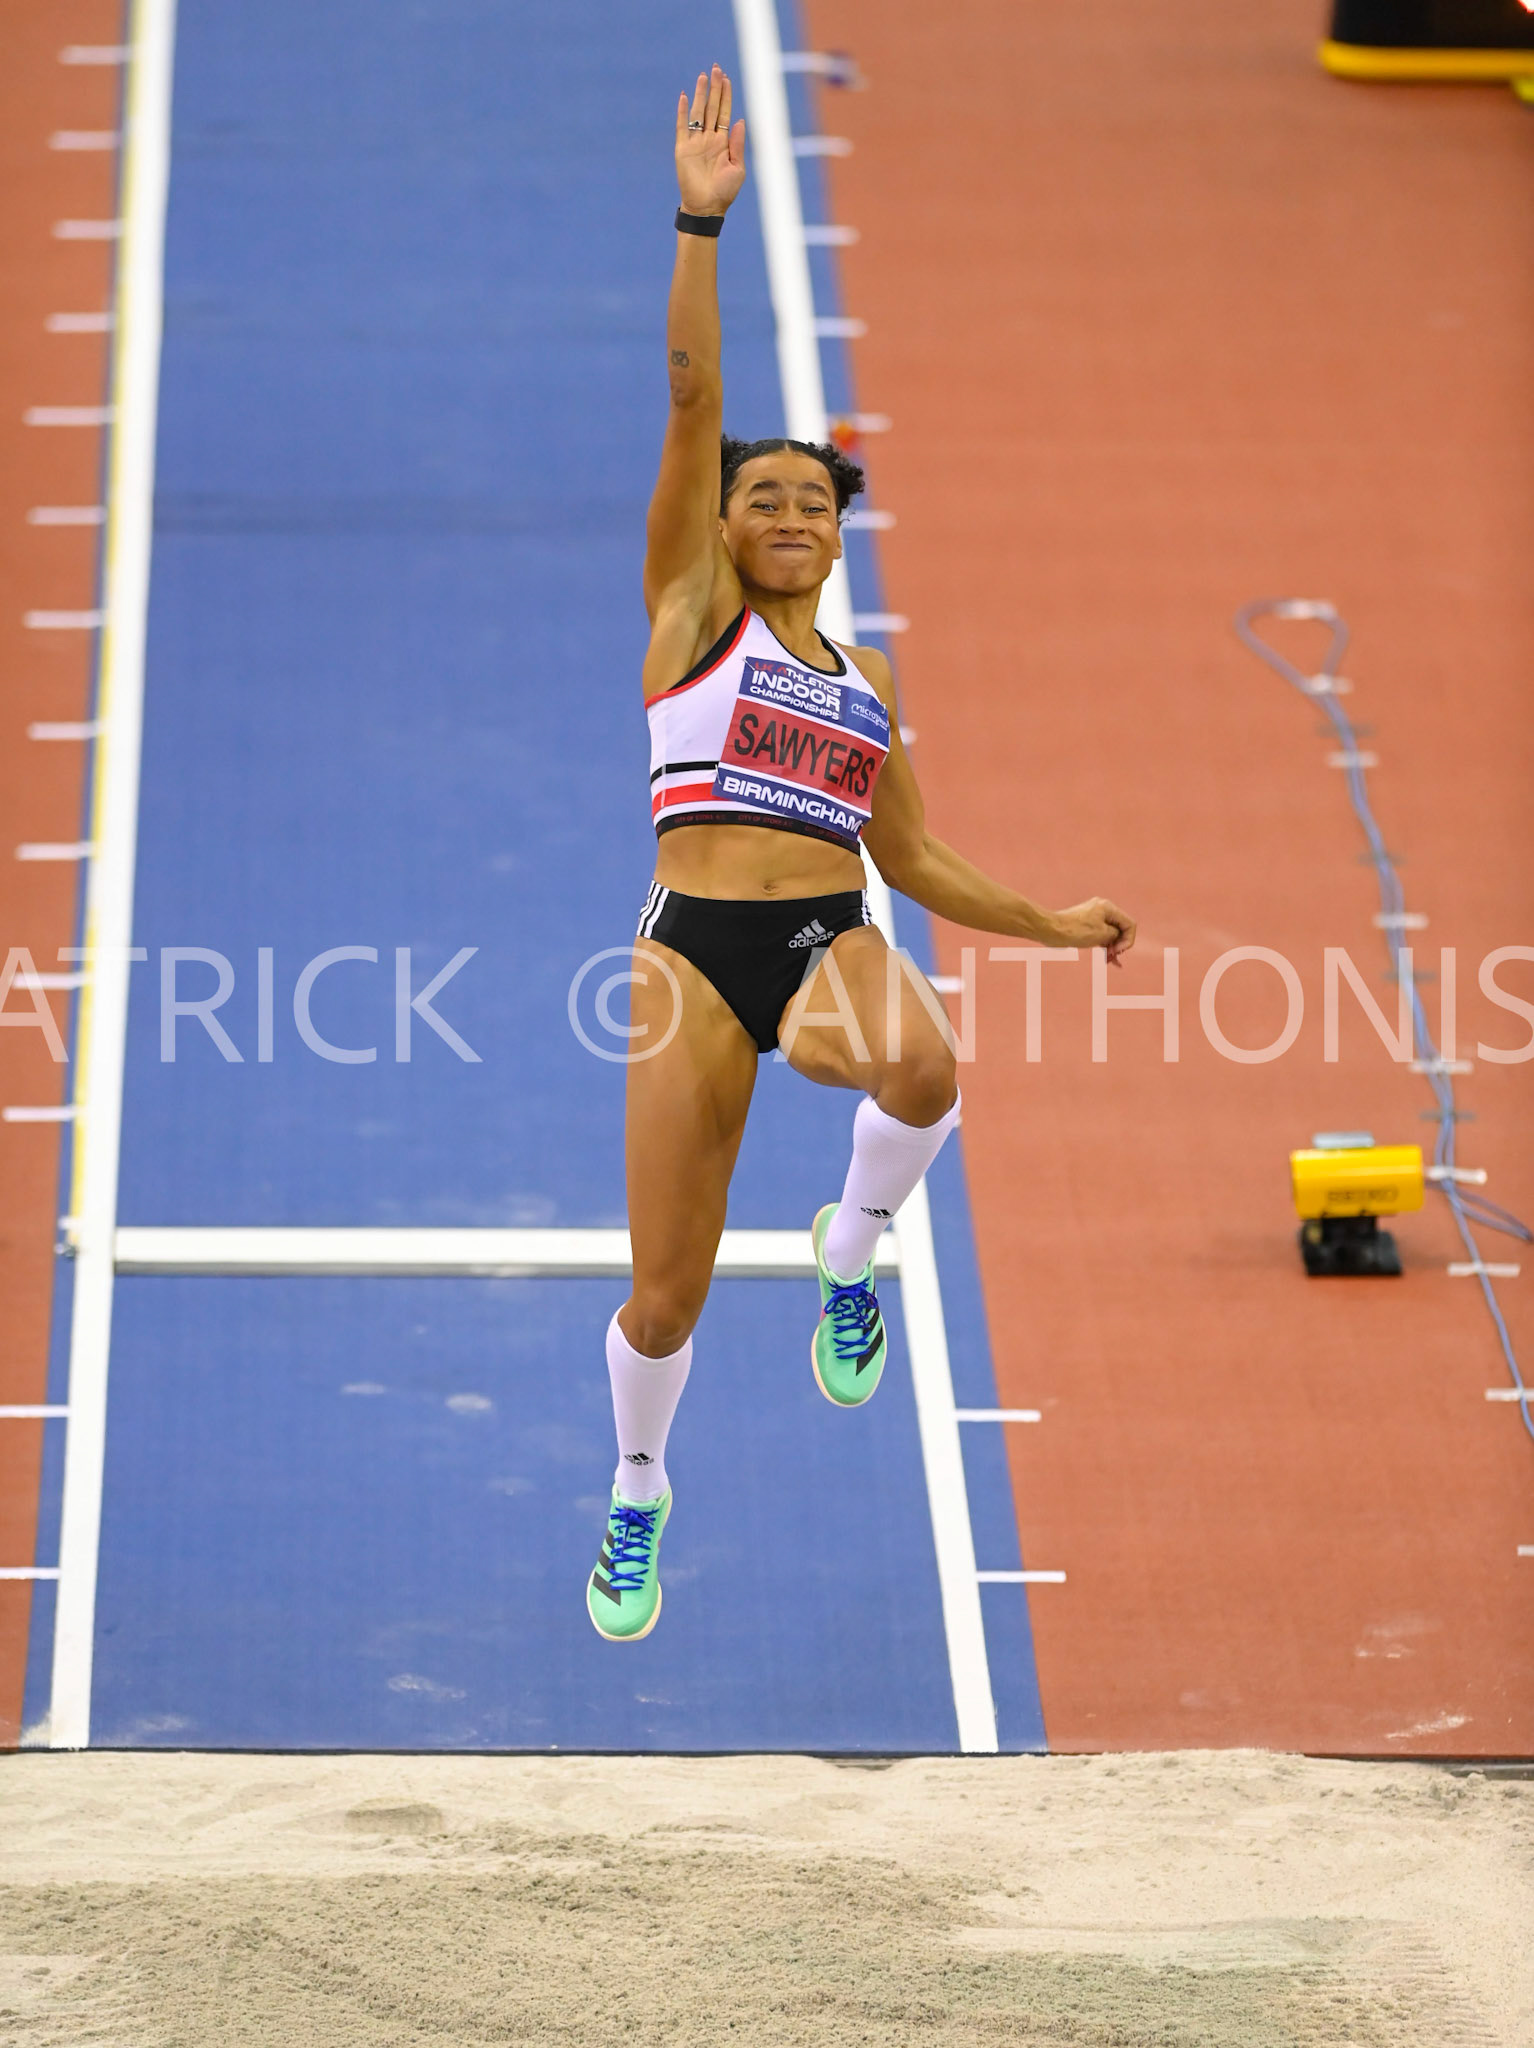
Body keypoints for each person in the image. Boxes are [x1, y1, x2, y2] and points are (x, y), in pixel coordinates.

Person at [587, 65, 1134, 1642]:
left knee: (921, 1067)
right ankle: (637, 1486)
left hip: (828, 935)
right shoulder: (688, 622)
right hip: (687, 951)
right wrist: (700, 220)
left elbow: (916, 853)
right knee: (664, 1299)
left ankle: (852, 1243)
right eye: (757, 498)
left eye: (807, 500)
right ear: (723, 527)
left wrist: (1054, 917)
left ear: (835, 530)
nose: (782, 513)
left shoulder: (865, 681)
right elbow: (693, 397)